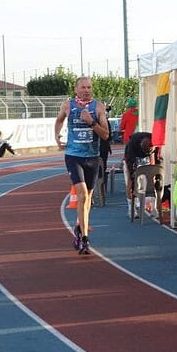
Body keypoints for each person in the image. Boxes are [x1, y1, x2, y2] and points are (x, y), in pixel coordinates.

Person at [54, 77, 110, 255]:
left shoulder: (98, 107)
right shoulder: (68, 105)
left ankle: (80, 228)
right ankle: (85, 238)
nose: (87, 90)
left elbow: (106, 135)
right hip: (73, 156)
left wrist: (91, 122)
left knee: (87, 200)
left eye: (89, 87)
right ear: (76, 89)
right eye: (83, 87)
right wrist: (57, 136)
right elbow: (59, 120)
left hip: (92, 158)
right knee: (82, 195)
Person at [123, 131, 161, 218]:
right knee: (130, 181)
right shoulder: (132, 144)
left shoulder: (155, 141)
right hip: (132, 157)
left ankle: (153, 208)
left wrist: (157, 171)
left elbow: (157, 158)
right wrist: (132, 174)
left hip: (148, 157)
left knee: (153, 179)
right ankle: (131, 208)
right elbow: (130, 162)